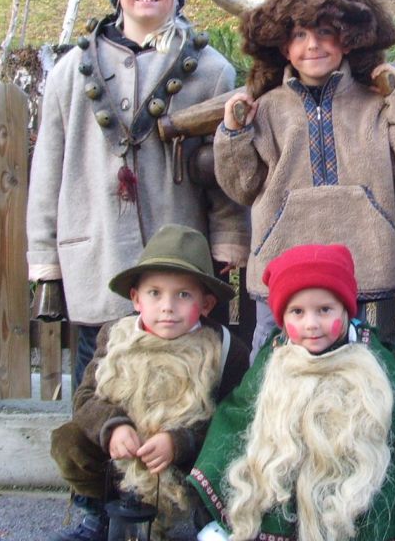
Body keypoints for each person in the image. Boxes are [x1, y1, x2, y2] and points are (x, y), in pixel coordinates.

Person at [27, 0, 249, 393]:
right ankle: (103, 471)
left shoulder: (210, 71)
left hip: (178, 252)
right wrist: (45, 257)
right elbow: (49, 168)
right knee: (99, 378)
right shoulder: (70, 70)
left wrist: (227, 242)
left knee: (185, 381)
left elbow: (224, 170)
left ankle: (176, 468)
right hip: (95, 247)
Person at [188, 243, 395, 541]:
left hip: (361, 485)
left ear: (345, 309)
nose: (312, 324)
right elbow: (238, 414)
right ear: (282, 317)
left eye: (324, 309)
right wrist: (209, 471)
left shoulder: (367, 352)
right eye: (297, 312)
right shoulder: (275, 356)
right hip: (286, 486)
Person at [212, 0, 395, 354]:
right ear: (283, 46)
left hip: (364, 263)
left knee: (370, 365)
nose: (311, 44)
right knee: (273, 366)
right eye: (299, 34)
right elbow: (242, 186)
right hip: (279, 267)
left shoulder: (376, 105)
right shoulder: (266, 110)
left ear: (348, 38)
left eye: (325, 32)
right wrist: (233, 134)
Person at [49, 224, 251, 541]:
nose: (167, 306)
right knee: (69, 441)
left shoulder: (224, 349)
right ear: (136, 299)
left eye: (183, 295)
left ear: (207, 304)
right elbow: (86, 397)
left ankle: (209, 516)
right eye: (154, 293)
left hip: (188, 457)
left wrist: (180, 442)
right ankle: (101, 514)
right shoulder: (116, 339)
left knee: (229, 452)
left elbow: (232, 419)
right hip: (127, 452)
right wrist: (113, 427)